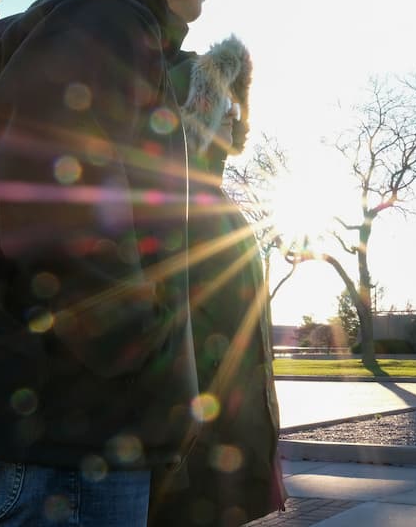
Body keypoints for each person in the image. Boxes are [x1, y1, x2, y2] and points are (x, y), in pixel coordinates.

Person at [0, 0, 219, 525]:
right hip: (72, 447)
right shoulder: (103, 20)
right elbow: (50, 196)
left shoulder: (81, 24)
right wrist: (139, 350)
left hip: (60, 438)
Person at [148, 35, 288, 526]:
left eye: (236, 101)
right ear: (191, 111)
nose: (233, 112)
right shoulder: (177, 204)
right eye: (220, 101)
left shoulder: (217, 201)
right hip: (194, 449)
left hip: (234, 435)